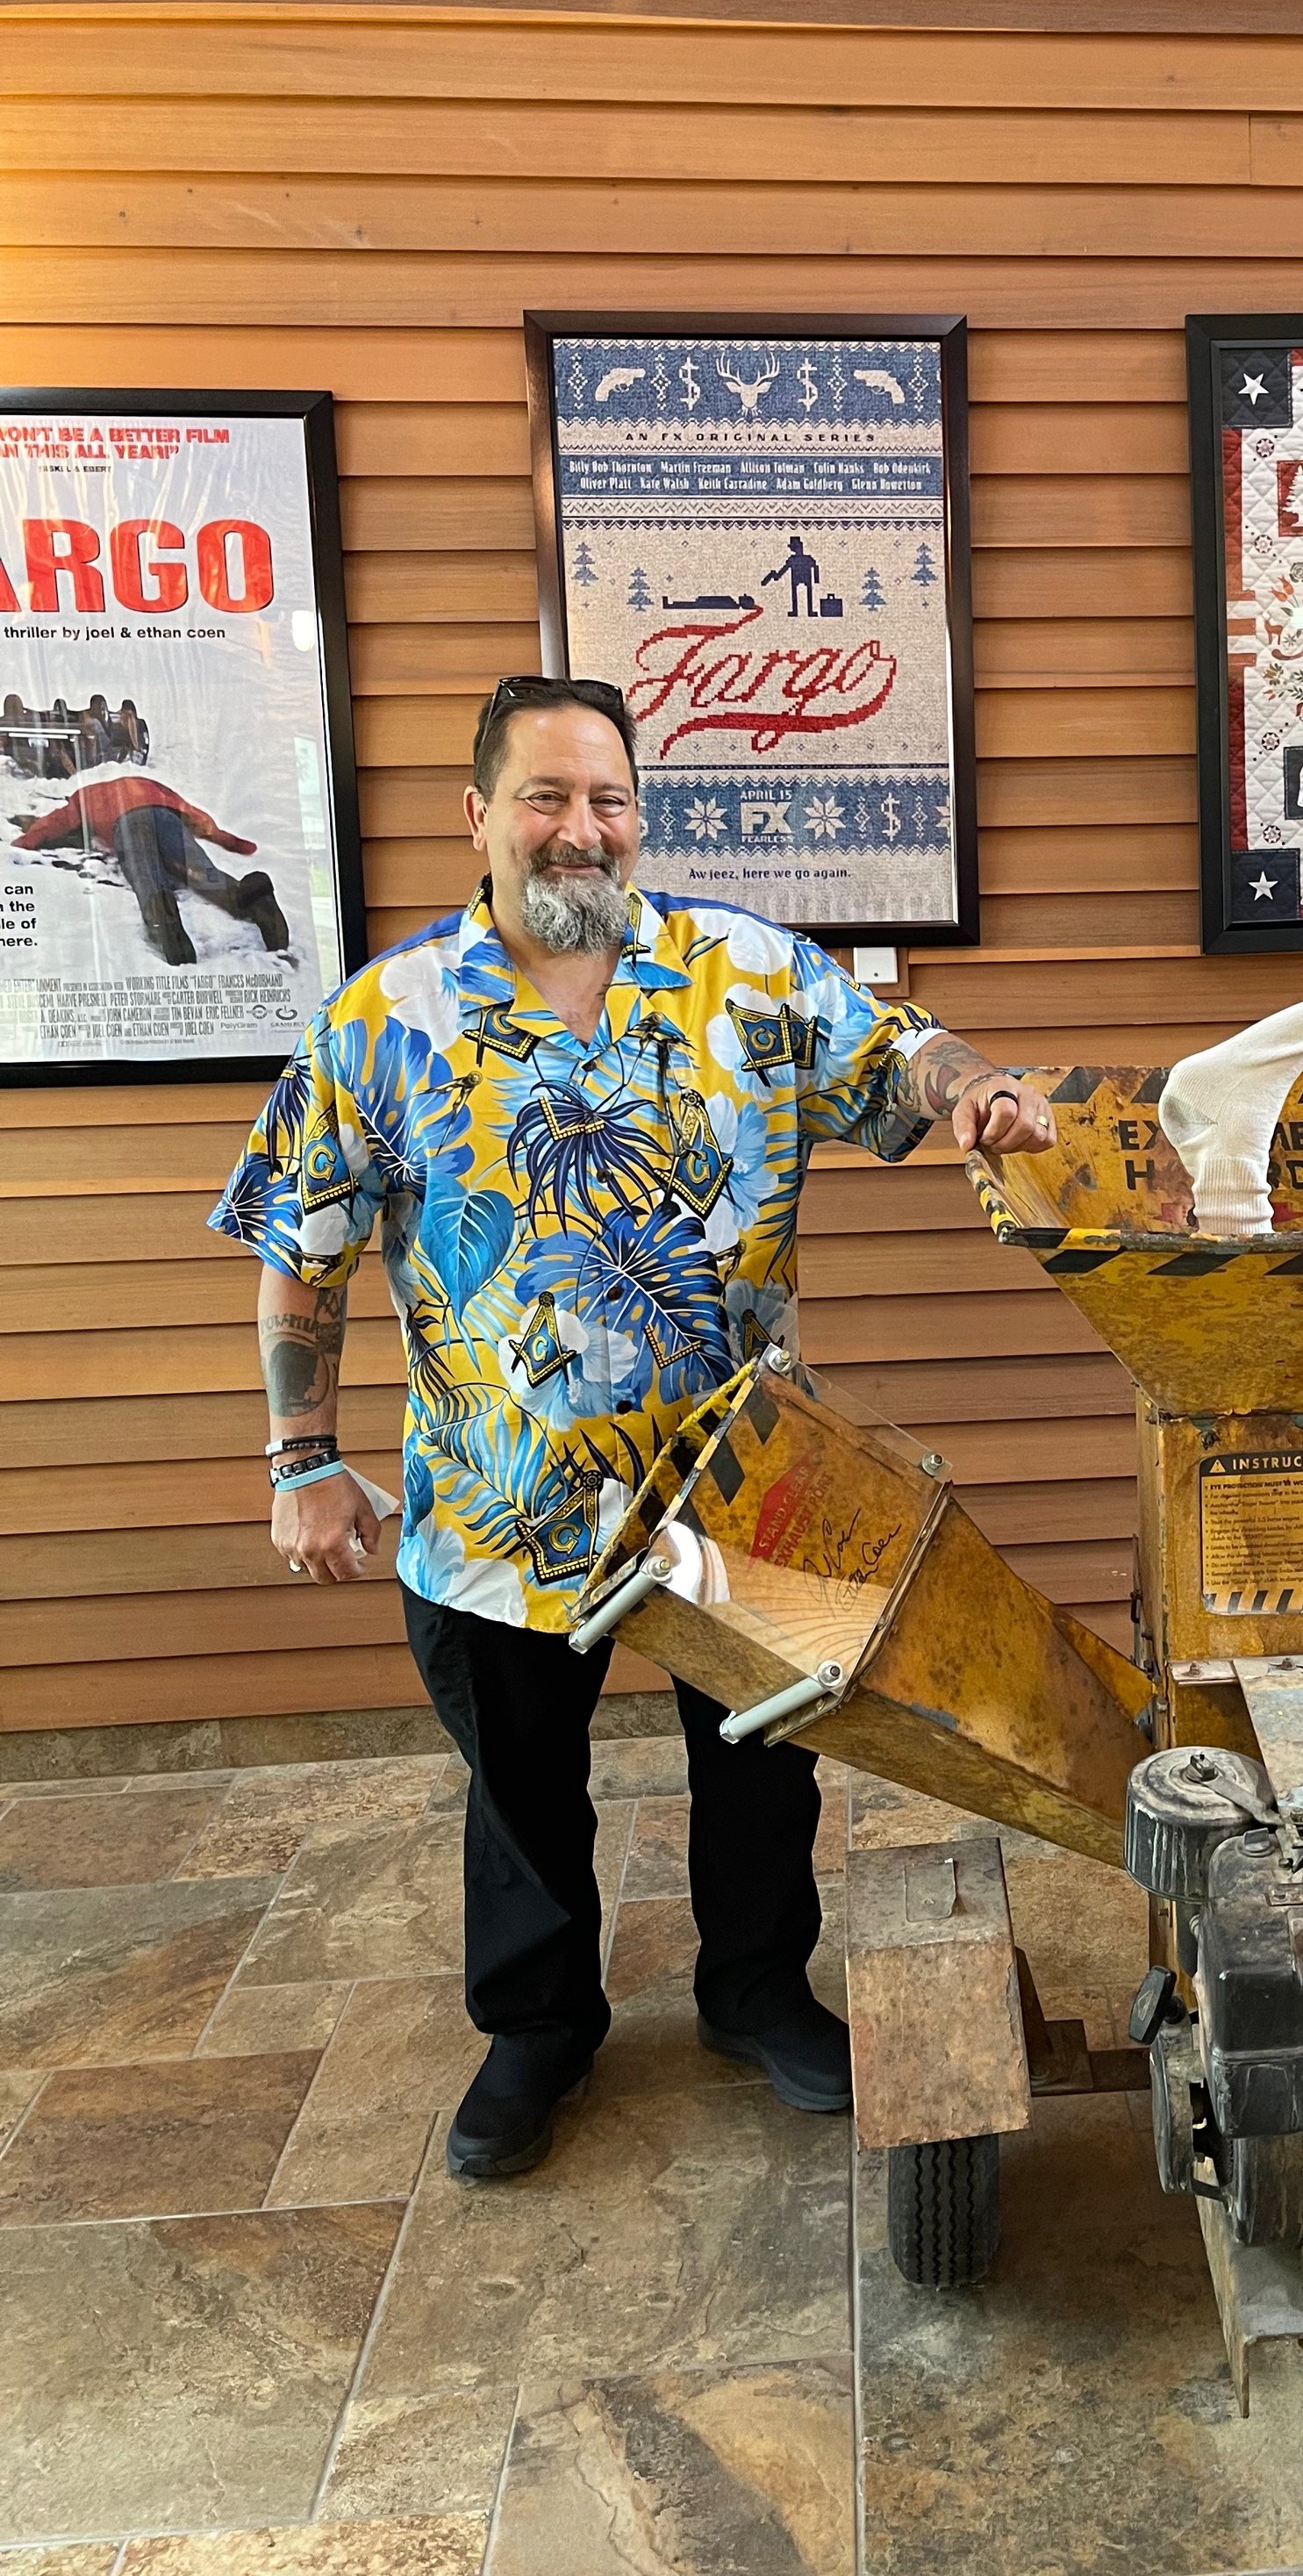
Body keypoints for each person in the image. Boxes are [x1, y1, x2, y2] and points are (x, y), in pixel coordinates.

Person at [211, 673, 1057, 2183]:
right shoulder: (384, 1018)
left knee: (761, 1758)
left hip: (734, 1486)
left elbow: (900, 1049)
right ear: (478, 816)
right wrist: (299, 1457)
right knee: (522, 1783)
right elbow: (301, 1237)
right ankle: (538, 2022)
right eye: (545, 796)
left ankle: (755, 1990)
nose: (580, 829)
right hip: (498, 1498)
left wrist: (978, 1081)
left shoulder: (744, 972)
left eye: (608, 798)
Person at [11, 768, 290, 964]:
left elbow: (55, 824)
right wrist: (235, 843)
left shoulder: (85, 795)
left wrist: (25, 841)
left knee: (145, 874)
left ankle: (162, 919)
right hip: (166, 817)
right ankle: (251, 897)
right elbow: (199, 819)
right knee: (204, 874)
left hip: (128, 824)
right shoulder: (147, 783)